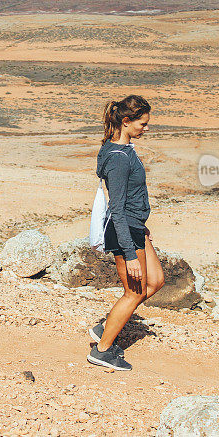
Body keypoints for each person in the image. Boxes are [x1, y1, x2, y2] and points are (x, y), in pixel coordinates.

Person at [87, 94, 165, 371]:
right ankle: (103, 350)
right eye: (142, 124)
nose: (146, 128)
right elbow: (117, 210)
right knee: (133, 292)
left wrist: (142, 224)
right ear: (126, 121)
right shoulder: (119, 159)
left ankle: (109, 324)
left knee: (155, 282)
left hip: (136, 226)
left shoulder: (123, 149)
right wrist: (130, 255)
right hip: (124, 231)